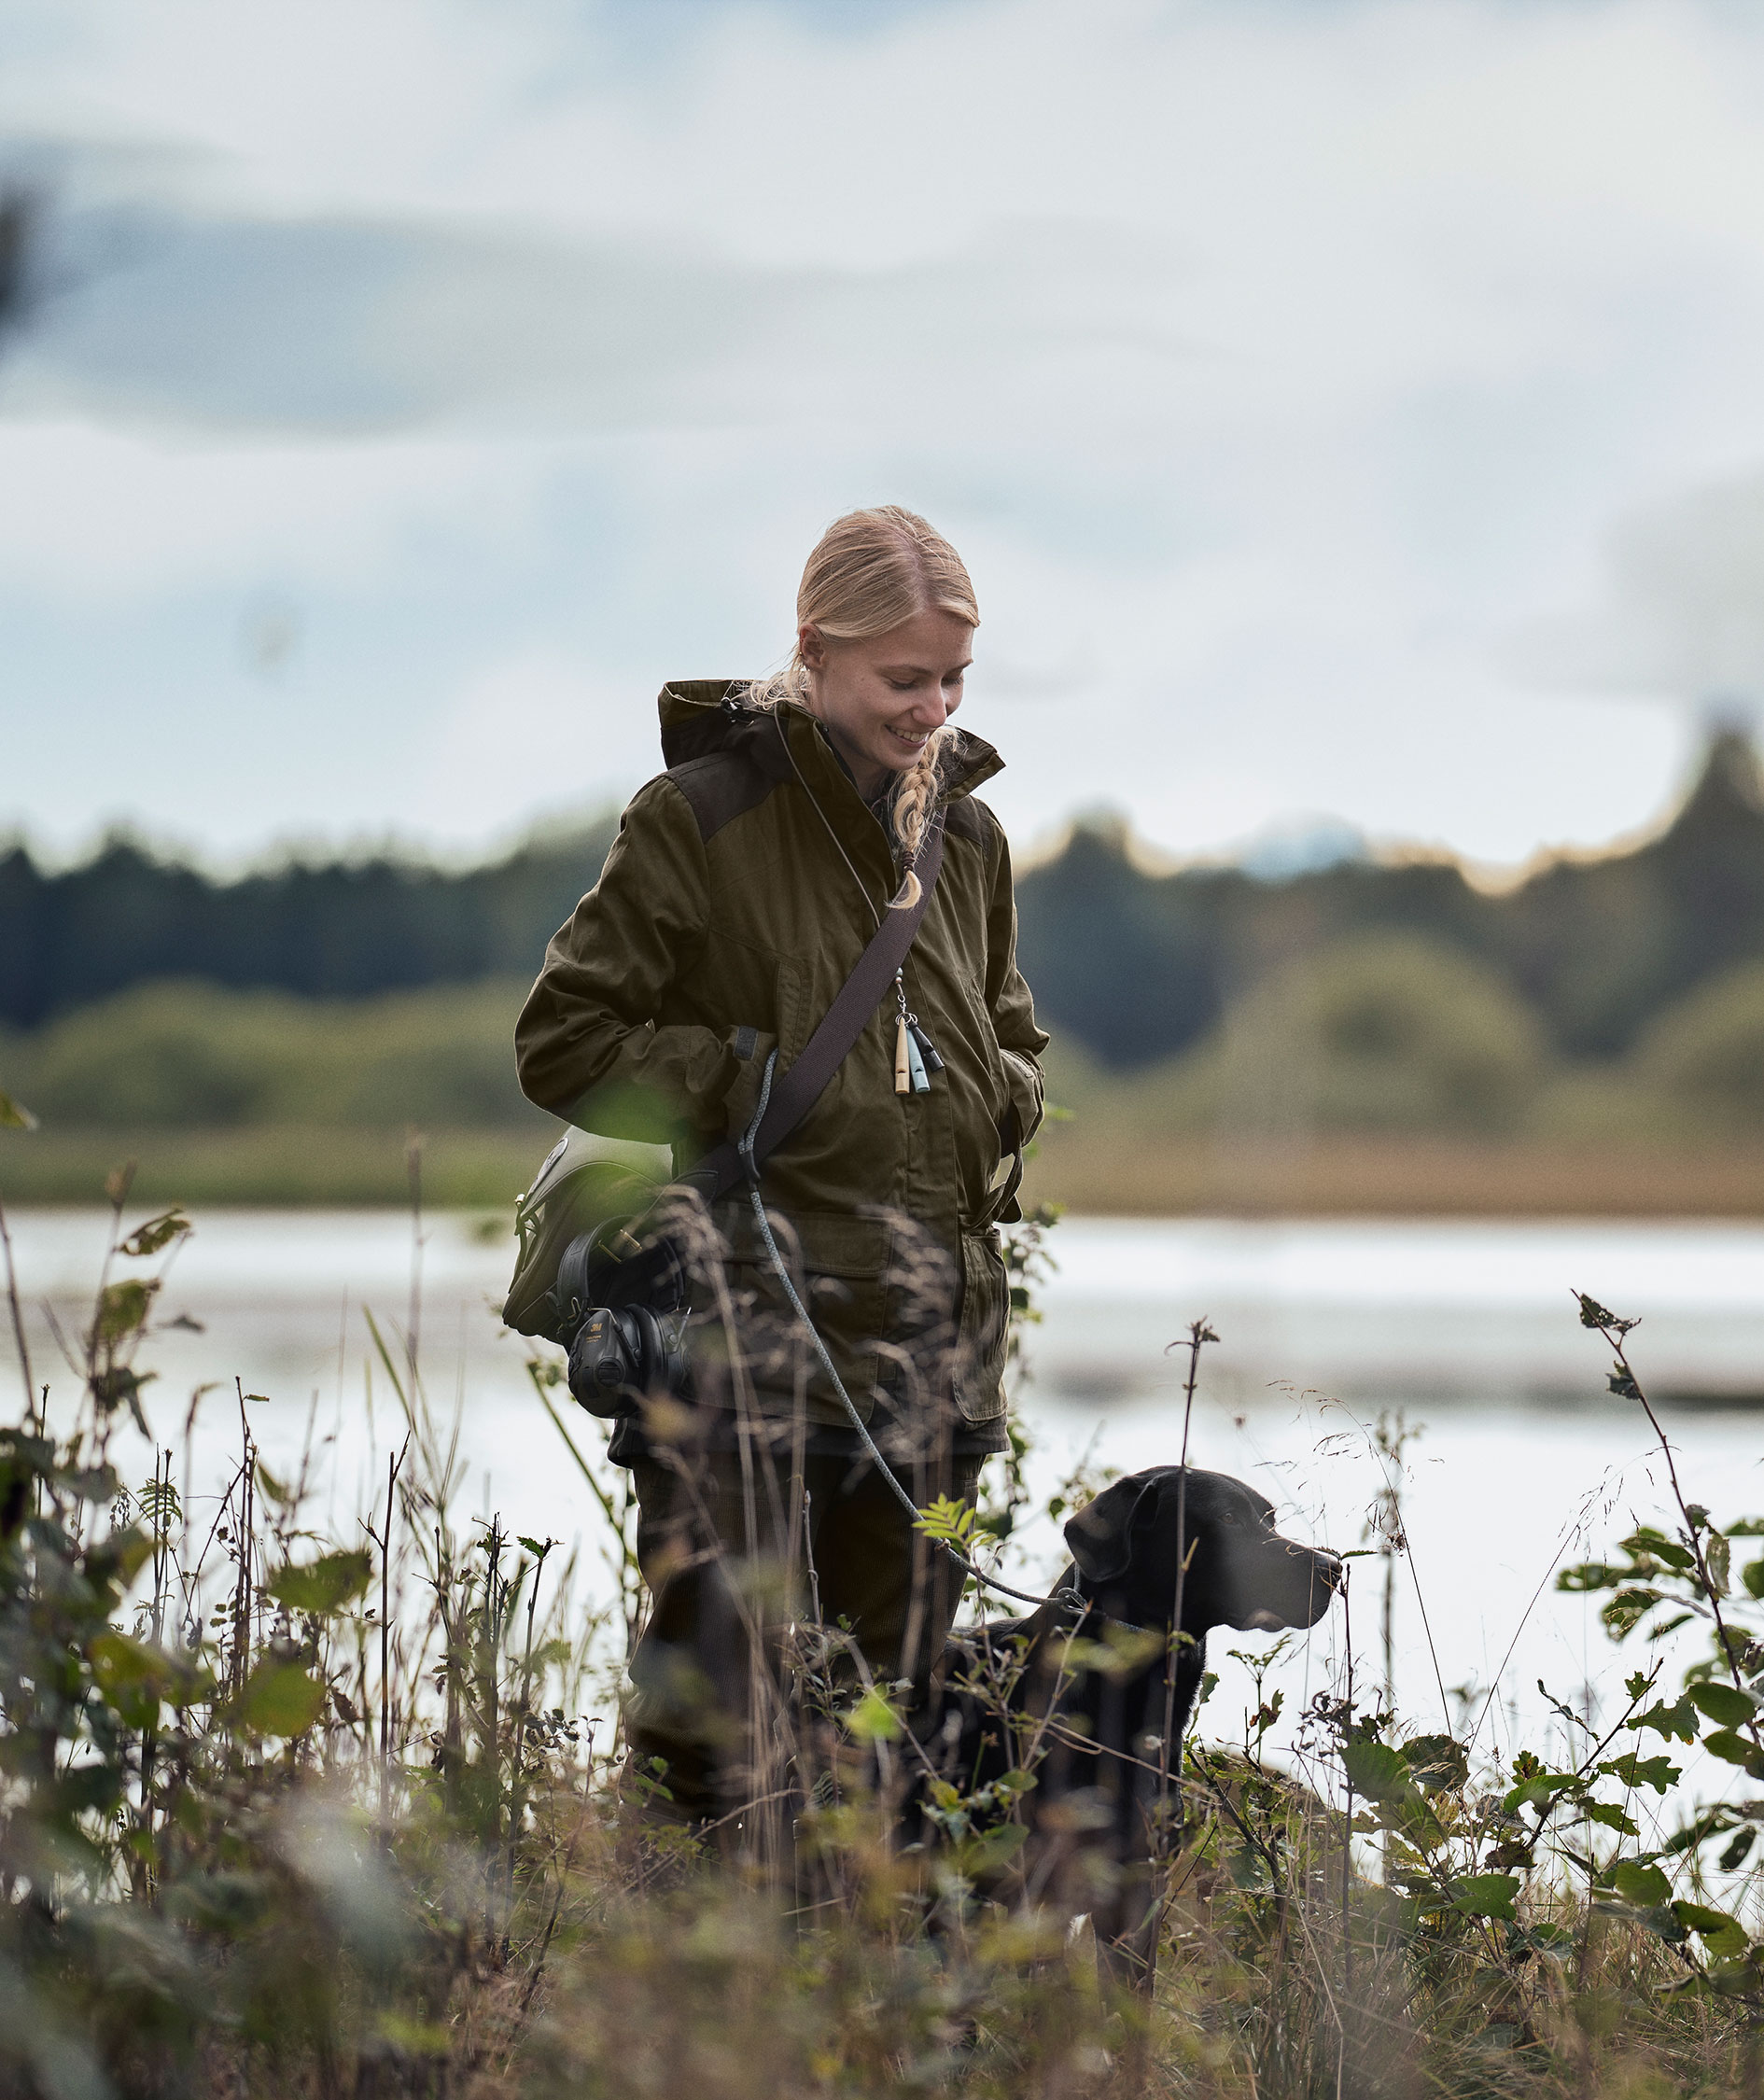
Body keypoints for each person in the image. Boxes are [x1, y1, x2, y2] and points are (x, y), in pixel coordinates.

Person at [514, 506, 1048, 1825]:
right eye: (902, 678)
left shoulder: (968, 841)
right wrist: (752, 1078)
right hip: (741, 1338)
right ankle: (682, 1989)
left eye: (952, 679)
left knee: (897, 1714)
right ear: (814, 651)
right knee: (711, 1714)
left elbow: (1012, 1036)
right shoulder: (698, 816)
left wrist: (999, 1104)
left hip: (929, 1342)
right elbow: (564, 1038)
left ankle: (866, 1998)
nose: (932, 708)